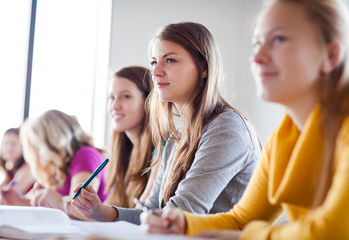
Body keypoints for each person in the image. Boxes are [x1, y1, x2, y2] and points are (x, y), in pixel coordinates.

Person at [140, 0, 349, 239]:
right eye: (257, 43)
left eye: (279, 39)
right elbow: (240, 220)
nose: (257, 56)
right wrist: (183, 224)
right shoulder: (285, 138)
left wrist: (246, 236)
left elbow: (331, 232)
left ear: (331, 55)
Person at [71, 22, 261, 225]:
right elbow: (152, 212)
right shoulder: (175, 135)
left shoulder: (227, 127)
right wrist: (104, 212)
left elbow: (183, 213)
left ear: (203, 68)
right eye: (154, 62)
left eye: (170, 60)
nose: (155, 72)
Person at [13, 109, 108, 220]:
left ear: (54, 142)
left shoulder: (85, 155)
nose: (37, 156)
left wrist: (58, 201)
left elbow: (84, 211)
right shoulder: (62, 167)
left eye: (39, 147)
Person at [103, 66, 158, 208]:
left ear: (148, 101)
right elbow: (110, 210)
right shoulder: (121, 154)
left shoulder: (162, 150)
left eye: (126, 96)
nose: (114, 106)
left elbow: (139, 213)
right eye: (111, 97)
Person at [0, 127, 35, 205]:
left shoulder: (28, 168)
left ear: (23, 146)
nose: (9, 148)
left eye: (13, 143)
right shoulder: (11, 172)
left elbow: (7, 195)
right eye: (5, 143)